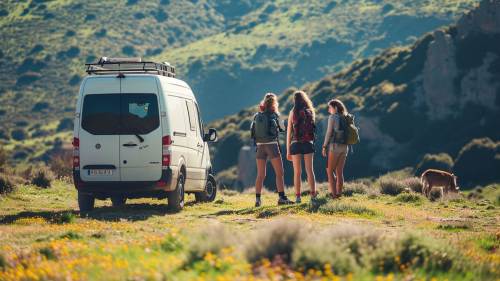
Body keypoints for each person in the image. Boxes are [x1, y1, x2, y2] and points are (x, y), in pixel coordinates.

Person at [251, 93, 294, 207]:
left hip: (260, 146)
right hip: (272, 146)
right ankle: (281, 198)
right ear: (274, 103)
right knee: (279, 172)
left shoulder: (257, 115)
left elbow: (252, 130)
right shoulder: (275, 114)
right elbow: (283, 129)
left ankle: (257, 199)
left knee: (260, 175)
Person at [286, 91, 317, 203]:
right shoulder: (310, 111)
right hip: (308, 143)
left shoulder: (292, 112)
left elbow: (289, 133)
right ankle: (313, 196)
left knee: (297, 172)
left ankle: (298, 197)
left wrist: (288, 150)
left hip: (295, 143)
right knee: (310, 170)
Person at [322, 99, 349, 199]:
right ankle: (339, 194)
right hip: (345, 147)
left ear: (335, 108)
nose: (329, 110)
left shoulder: (332, 117)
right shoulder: (346, 116)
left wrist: (324, 146)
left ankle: (334, 196)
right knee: (339, 172)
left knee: (329, 171)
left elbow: (329, 133)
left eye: (330, 107)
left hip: (335, 146)